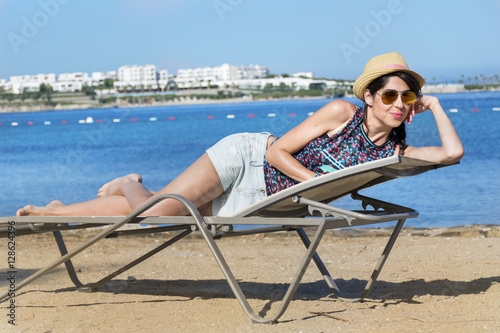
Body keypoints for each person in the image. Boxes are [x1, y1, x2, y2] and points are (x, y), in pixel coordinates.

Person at [17, 52, 464, 217]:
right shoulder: (340, 112)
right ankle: (128, 183)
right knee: (159, 214)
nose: (397, 105)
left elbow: (453, 153)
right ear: (368, 96)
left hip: (259, 199)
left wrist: (438, 105)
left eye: (408, 99)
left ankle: (55, 211)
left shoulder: (397, 149)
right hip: (246, 160)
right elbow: (277, 153)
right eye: (389, 95)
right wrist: (315, 184)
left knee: (169, 206)